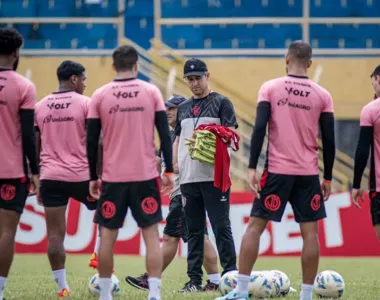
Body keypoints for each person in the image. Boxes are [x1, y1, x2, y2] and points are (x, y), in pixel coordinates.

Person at [216, 41, 336, 300]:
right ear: (310, 63)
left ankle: (241, 292)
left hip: (277, 171)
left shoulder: (270, 88)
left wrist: (251, 167)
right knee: (310, 234)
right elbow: (329, 138)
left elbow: (259, 129)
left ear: (286, 59)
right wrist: (327, 178)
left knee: (255, 227)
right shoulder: (322, 95)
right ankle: (305, 295)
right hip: (307, 173)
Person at [86, 45, 174, 300]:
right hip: (145, 176)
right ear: (136, 65)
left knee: (107, 237)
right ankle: (154, 294)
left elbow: (91, 141)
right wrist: (168, 170)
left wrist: (93, 175)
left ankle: (105, 295)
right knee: (151, 235)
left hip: (113, 178)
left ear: (114, 66)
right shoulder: (151, 92)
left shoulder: (100, 95)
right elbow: (165, 135)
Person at [125, 95, 220, 292]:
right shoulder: (169, 134)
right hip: (180, 192)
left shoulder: (189, 132)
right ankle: (215, 281)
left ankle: (151, 279)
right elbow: (160, 163)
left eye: (172, 108)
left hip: (184, 192)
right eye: (166, 108)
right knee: (198, 237)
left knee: (177, 238)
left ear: (183, 110)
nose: (167, 111)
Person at [34, 60, 100, 298]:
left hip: (50, 177)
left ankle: (62, 287)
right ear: (73, 79)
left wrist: (37, 177)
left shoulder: (40, 106)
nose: (84, 84)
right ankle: (98, 254)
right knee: (110, 212)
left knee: (54, 236)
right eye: (83, 79)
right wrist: (99, 174)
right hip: (82, 176)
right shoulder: (86, 103)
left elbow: (34, 146)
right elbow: (97, 142)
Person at [173, 58, 238, 292]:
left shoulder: (222, 103)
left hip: (214, 176)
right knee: (194, 232)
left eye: (198, 78)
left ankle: (230, 278)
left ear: (207, 76)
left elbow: (232, 135)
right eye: (190, 79)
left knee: (221, 227)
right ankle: (194, 281)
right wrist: (174, 163)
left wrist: (214, 135)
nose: (194, 83)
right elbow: (178, 138)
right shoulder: (183, 108)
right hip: (189, 178)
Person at [0, 28, 40, 300]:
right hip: (11, 171)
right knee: (6, 232)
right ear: (16, 52)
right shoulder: (24, 86)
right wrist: (34, 170)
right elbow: (28, 134)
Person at [352, 65, 380, 241]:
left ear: (378, 80)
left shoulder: (371, 110)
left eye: (373, 84)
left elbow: (362, 150)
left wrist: (356, 185)